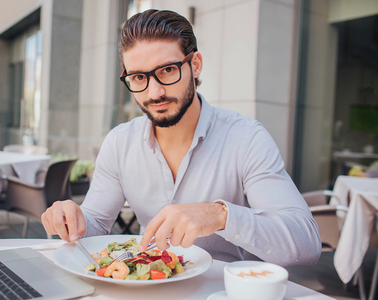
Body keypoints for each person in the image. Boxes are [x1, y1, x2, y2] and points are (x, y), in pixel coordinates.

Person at [42, 9, 321, 266]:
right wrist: (72, 220)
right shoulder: (119, 142)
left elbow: (306, 244)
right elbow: (95, 226)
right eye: (139, 77)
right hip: (145, 288)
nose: (154, 93)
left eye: (167, 70)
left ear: (195, 65)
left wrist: (220, 216)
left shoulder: (246, 138)